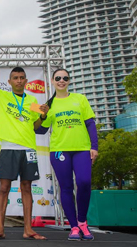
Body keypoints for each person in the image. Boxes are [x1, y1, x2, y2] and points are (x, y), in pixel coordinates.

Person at [0, 67, 49, 240]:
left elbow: (35, 127)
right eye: (15, 78)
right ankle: (0, 229)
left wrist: (42, 117)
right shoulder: (2, 95)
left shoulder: (33, 101)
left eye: (21, 78)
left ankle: (28, 229)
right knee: (4, 188)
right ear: (10, 82)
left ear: (26, 81)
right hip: (8, 148)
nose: (19, 80)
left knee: (27, 188)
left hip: (28, 149)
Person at [39, 69, 98, 241]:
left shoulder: (80, 99)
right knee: (66, 188)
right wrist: (42, 116)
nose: (62, 80)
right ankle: (73, 226)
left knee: (84, 182)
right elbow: (40, 130)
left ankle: (82, 222)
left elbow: (90, 123)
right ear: (52, 81)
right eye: (58, 78)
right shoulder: (49, 105)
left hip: (81, 149)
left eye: (65, 78)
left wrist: (94, 146)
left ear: (69, 81)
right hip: (59, 150)